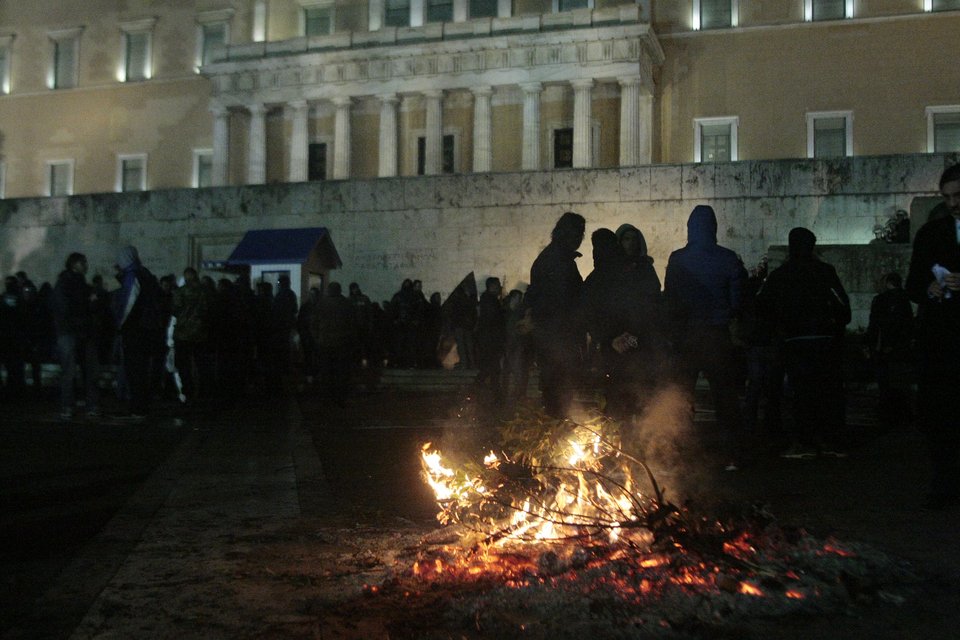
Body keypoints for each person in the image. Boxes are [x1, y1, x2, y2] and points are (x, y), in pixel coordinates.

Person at [664, 205, 747, 470]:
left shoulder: (677, 259)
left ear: (690, 228)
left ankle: (680, 454)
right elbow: (738, 300)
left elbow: (671, 300)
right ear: (713, 228)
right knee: (725, 397)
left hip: (687, 336)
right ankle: (730, 455)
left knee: (682, 397)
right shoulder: (728, 258)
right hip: (717, 335)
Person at [757, 227, 851, 460]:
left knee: (801, 393)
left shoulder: (781, 275)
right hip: (825, 339)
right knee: (829, 390)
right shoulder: (825, 271)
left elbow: (762, 306)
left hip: (795, 340)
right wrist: (835, 327)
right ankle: (832, 441)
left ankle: (805, 442)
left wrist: (780, 326)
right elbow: (842, 306)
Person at [905, 163, 960, 510]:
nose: (954, 203)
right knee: (939, 416)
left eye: (959, 195)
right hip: (941, 342)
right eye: (948, 197)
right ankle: (944, 482)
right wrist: (929, 289)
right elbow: (912, 285)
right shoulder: (931, 234)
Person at [582, 228, 665, 422]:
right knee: (624, 396)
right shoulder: (621, 274)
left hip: (630, 344)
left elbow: (647, 306)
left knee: (627, 395)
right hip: (621, 344)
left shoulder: (633, 272)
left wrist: (619, 336)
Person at [526, 211, 586, 418]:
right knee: (559, 394)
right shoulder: (557, 261)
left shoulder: (556, 258)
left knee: (558, 393)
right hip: (558, 339)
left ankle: (556, 432)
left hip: (555, 339)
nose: (580, 238)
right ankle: (556, 436)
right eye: (578, 233)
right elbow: (562, 301)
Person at [114, 245, 163, 419]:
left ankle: (138, 407)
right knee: (141, 370)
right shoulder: (145, 274)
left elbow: (129, 303)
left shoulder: (133, 275)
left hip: (136, 329)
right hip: (149, 329)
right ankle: (141, 405)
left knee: (134, 370)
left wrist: (120, 324)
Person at [50, 253, 101, 420]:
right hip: (71, 332)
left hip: (77, 331)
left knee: (83, 371)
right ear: (74, 264)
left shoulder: (76, 283)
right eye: (83, 262)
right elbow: (66, 308)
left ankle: (78, 406)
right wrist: (88, 304)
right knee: (72, 371)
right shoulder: (67, 283)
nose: (86, 265)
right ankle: (70, 406)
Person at [863, 272, 914, 432]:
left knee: (884, 381)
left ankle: (887, 413)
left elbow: (875, 324)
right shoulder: (905, 299)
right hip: (900, 348)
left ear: (887, 283)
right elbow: (907, 325)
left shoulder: (880, 300)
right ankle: (900, 413)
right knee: (899, 381)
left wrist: (869, 344)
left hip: (883, 347)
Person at [311, 282, 356, 404]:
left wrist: (316, 337)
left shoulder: (321, 304)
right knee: (341, 371)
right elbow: (352, 323)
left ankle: (326, 395)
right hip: (342, 342)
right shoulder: (347, 303)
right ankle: (340, 396)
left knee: (326, 370)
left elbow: (313, 323)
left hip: (324, 342)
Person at [171, 267, 211, 403]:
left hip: (183, 334)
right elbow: (208, 310)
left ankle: (188, 391)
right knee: (202, 365)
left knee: (183, 364)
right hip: (201, 333)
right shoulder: (205, 292)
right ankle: (204, 391)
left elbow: (175, 310)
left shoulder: (180, 292)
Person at [474, 277, 505, 395]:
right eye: (498, 285)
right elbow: (493, 322)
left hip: (490, 341)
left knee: (491, 367)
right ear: (492, 286)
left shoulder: (488, 300)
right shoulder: (490, 301)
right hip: (490, 341)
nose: (500, 287)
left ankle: (493, 391)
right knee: (491, 367)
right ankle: (491, 391)